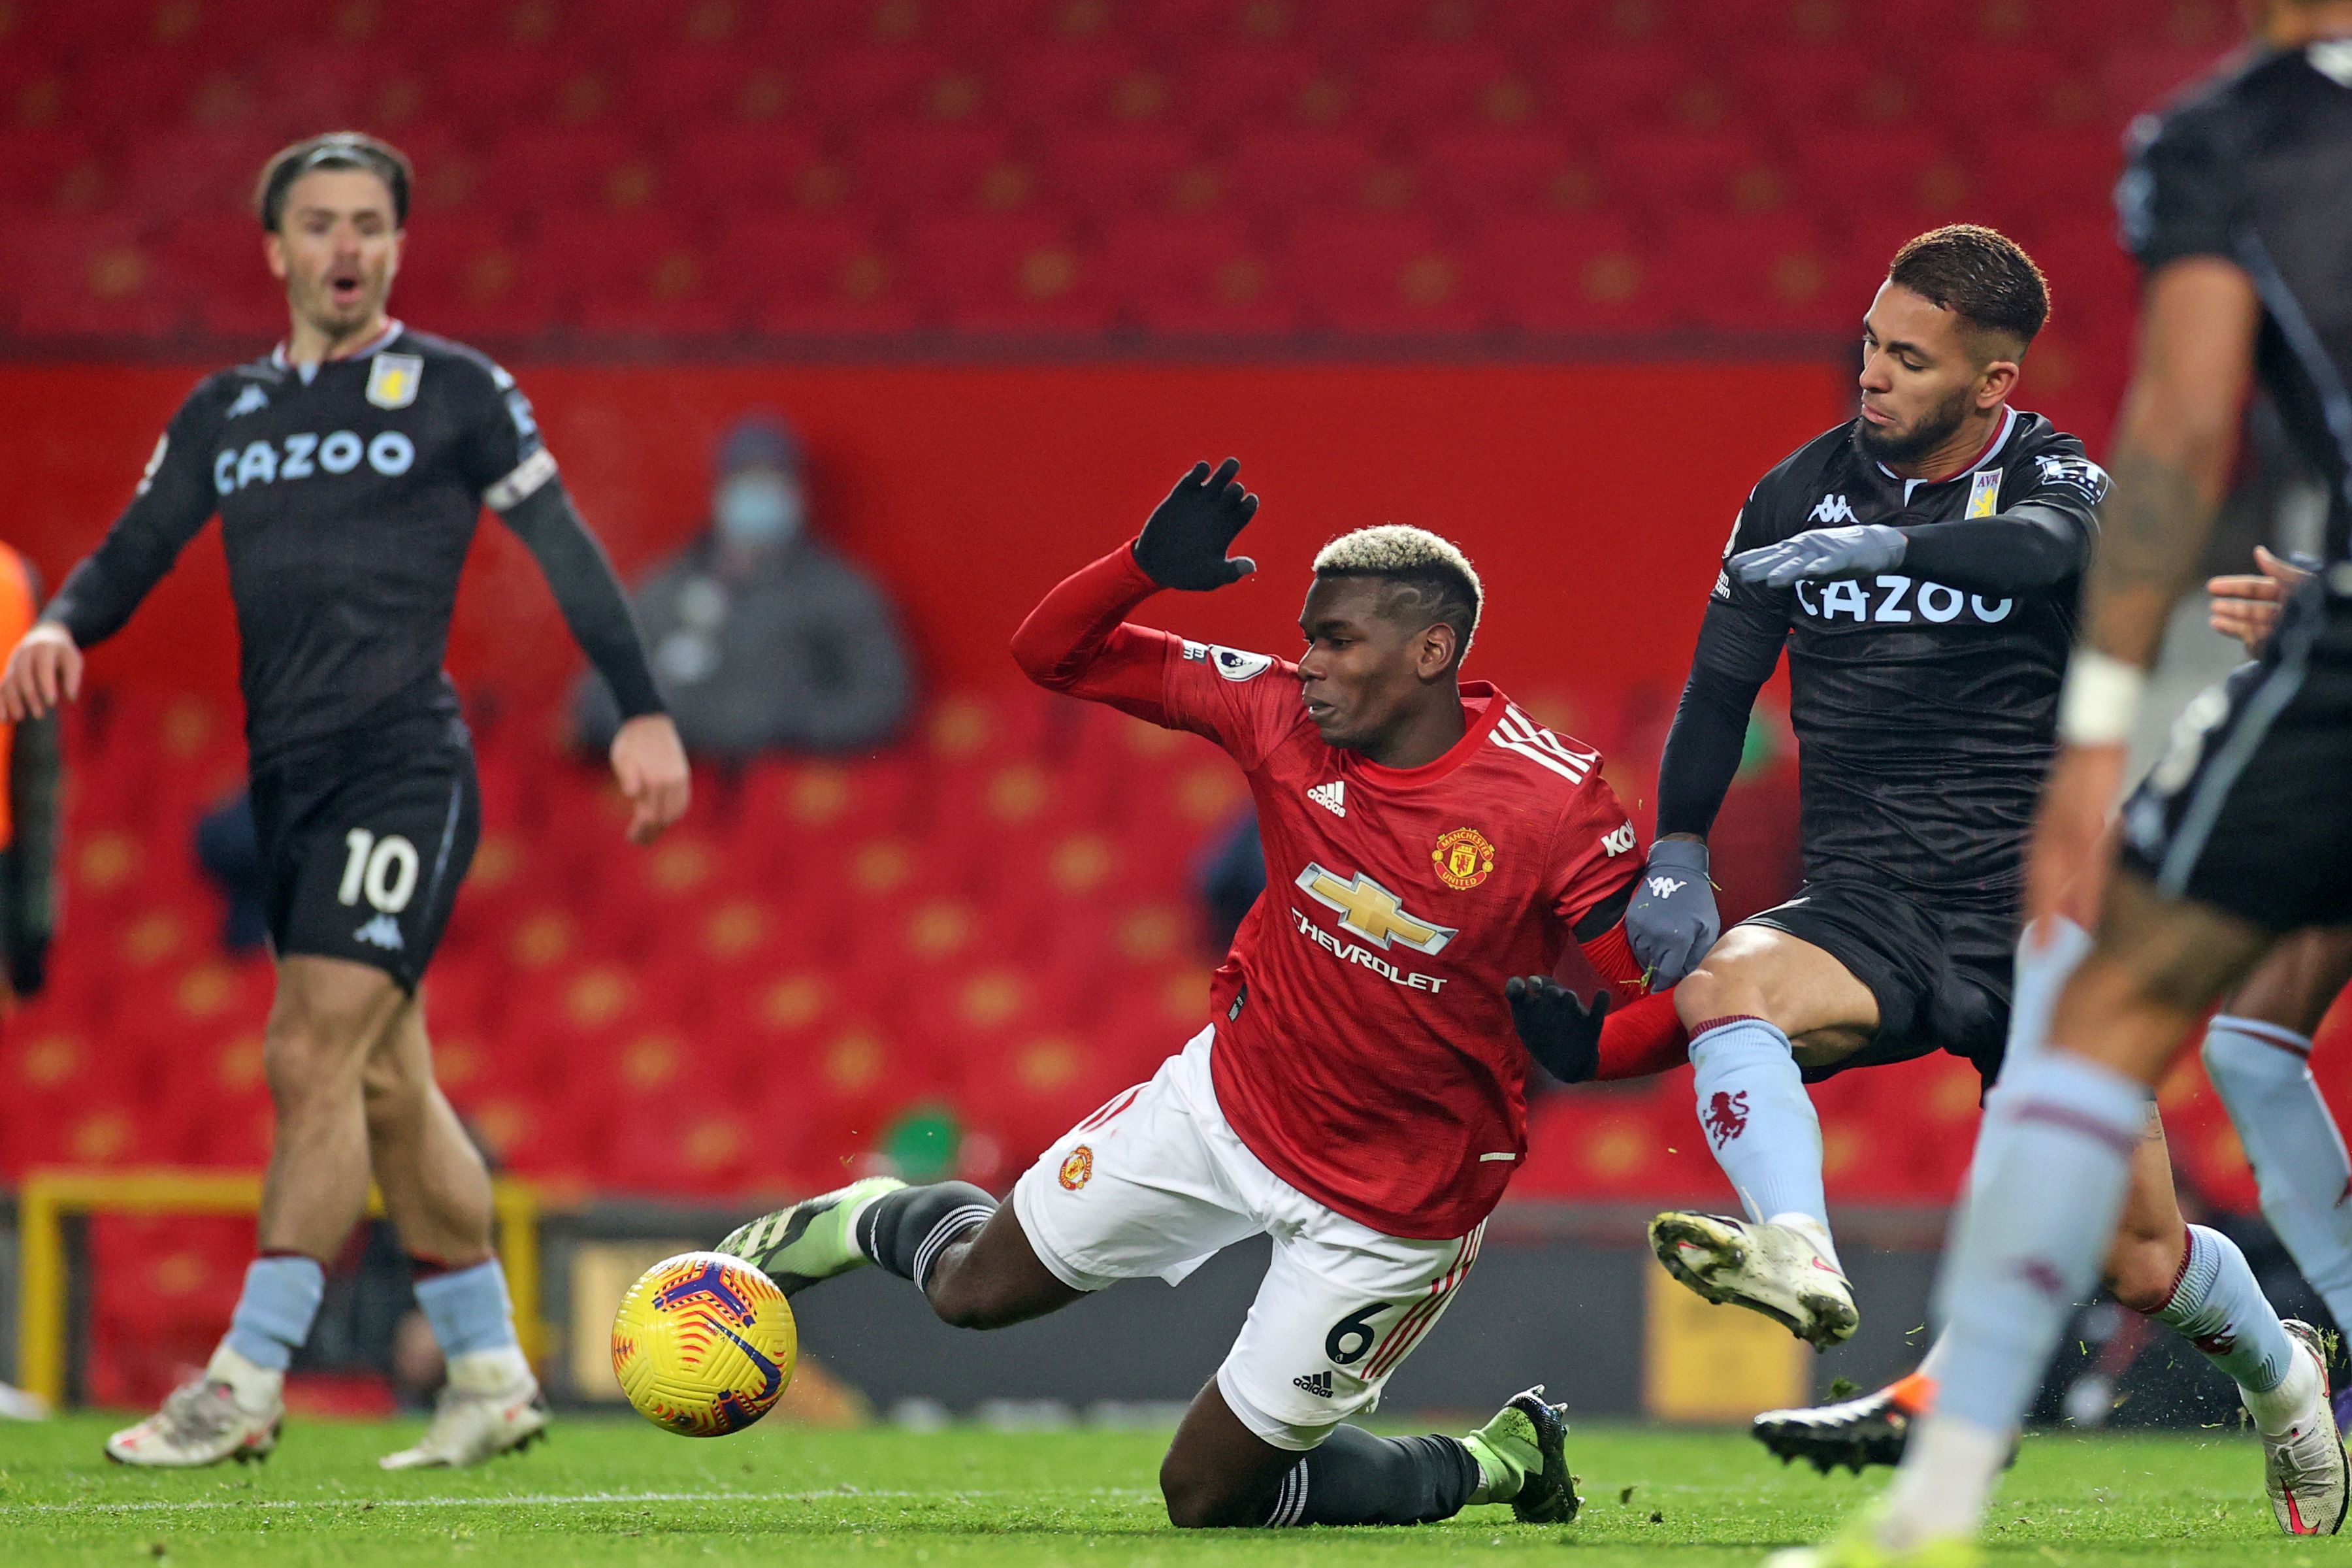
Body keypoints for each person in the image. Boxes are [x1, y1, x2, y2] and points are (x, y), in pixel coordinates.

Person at [716, 459, 1647, 1529]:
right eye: (1310, 635)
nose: (1313, 663)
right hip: (1227, 1108)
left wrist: (1619, 1024)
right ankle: (861, 1218)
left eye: (1341, 640)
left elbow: (1647, 987)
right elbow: (1050, 653)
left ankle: (1500, 1460)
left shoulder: (1551, 798)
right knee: (972, 1291)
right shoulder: (1279, 713)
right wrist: (1142, 569)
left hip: (1397, 1203)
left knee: (1207, 1498)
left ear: (1431, 651)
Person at [0, 131, 691, 1469]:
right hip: (289, 780)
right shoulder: (225, 415)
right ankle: (490, 1372)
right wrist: (63, 625)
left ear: (398, 245)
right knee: (385, 1080)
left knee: (308, 1052)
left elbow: (567, 550)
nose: (344, 248)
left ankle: (246, 1377)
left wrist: (643, 709)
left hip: (403, 763)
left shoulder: (455, 391)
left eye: (368, 223)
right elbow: (140, 543)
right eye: (318, 223)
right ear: (275, 248)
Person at [1787, 5, 2352, 1560]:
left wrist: (2096, 729)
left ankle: (1936, 1503)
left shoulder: (2221, 137)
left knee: (2130, 1056)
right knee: (2185, 1128)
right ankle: (2283, 1386)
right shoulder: (1811, 481)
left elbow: (2175, 434)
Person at [1624, 225, 2108, 1348]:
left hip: (2042, 914)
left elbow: (2042, 551)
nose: (1874, 375)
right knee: (1723, 987)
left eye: (1911, 359)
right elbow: (1716, 693)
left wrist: (1891, 549)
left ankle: (2283, 1374)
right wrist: (1681, 849)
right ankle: (1796, 1249)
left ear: (1995, 382)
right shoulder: (1795, 493)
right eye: (1869, 346)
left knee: (2135, 1258)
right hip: (1869, 905)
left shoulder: (2060, 475)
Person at [574, 412, 913, 760]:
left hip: (783, 784)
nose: (758, 496)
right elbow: (596, 702)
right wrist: (669, 728)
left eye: (772, 482)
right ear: (719, 491)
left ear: (800, 494)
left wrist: (788, 726)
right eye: (746, 481)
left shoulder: (838, 592)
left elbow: (883, 698)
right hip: (682, 784)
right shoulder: (663, 588)